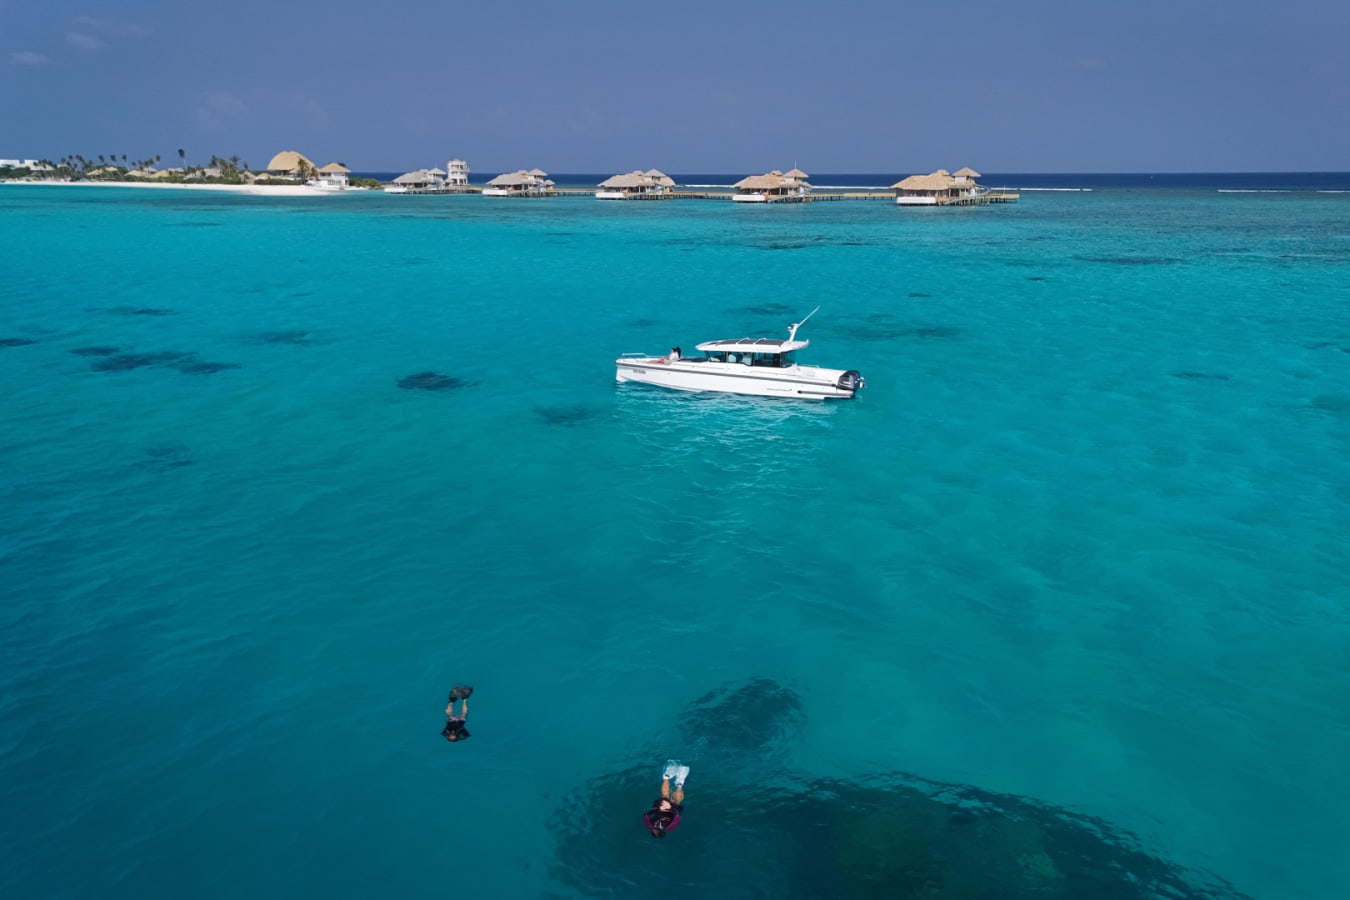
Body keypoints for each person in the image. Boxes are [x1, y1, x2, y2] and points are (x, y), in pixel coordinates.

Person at [643, 760, 690, 838]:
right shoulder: (670, 827)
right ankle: (678, 785)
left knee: (665, 796)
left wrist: (658, 808)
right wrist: (670, 807)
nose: (656, 829)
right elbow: (677, 815)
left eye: (655, 830)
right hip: (672, 810)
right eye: (657, 830)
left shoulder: (649, 825)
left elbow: (646, 814)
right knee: (676, 800)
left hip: (661, 808)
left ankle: (667, 778)